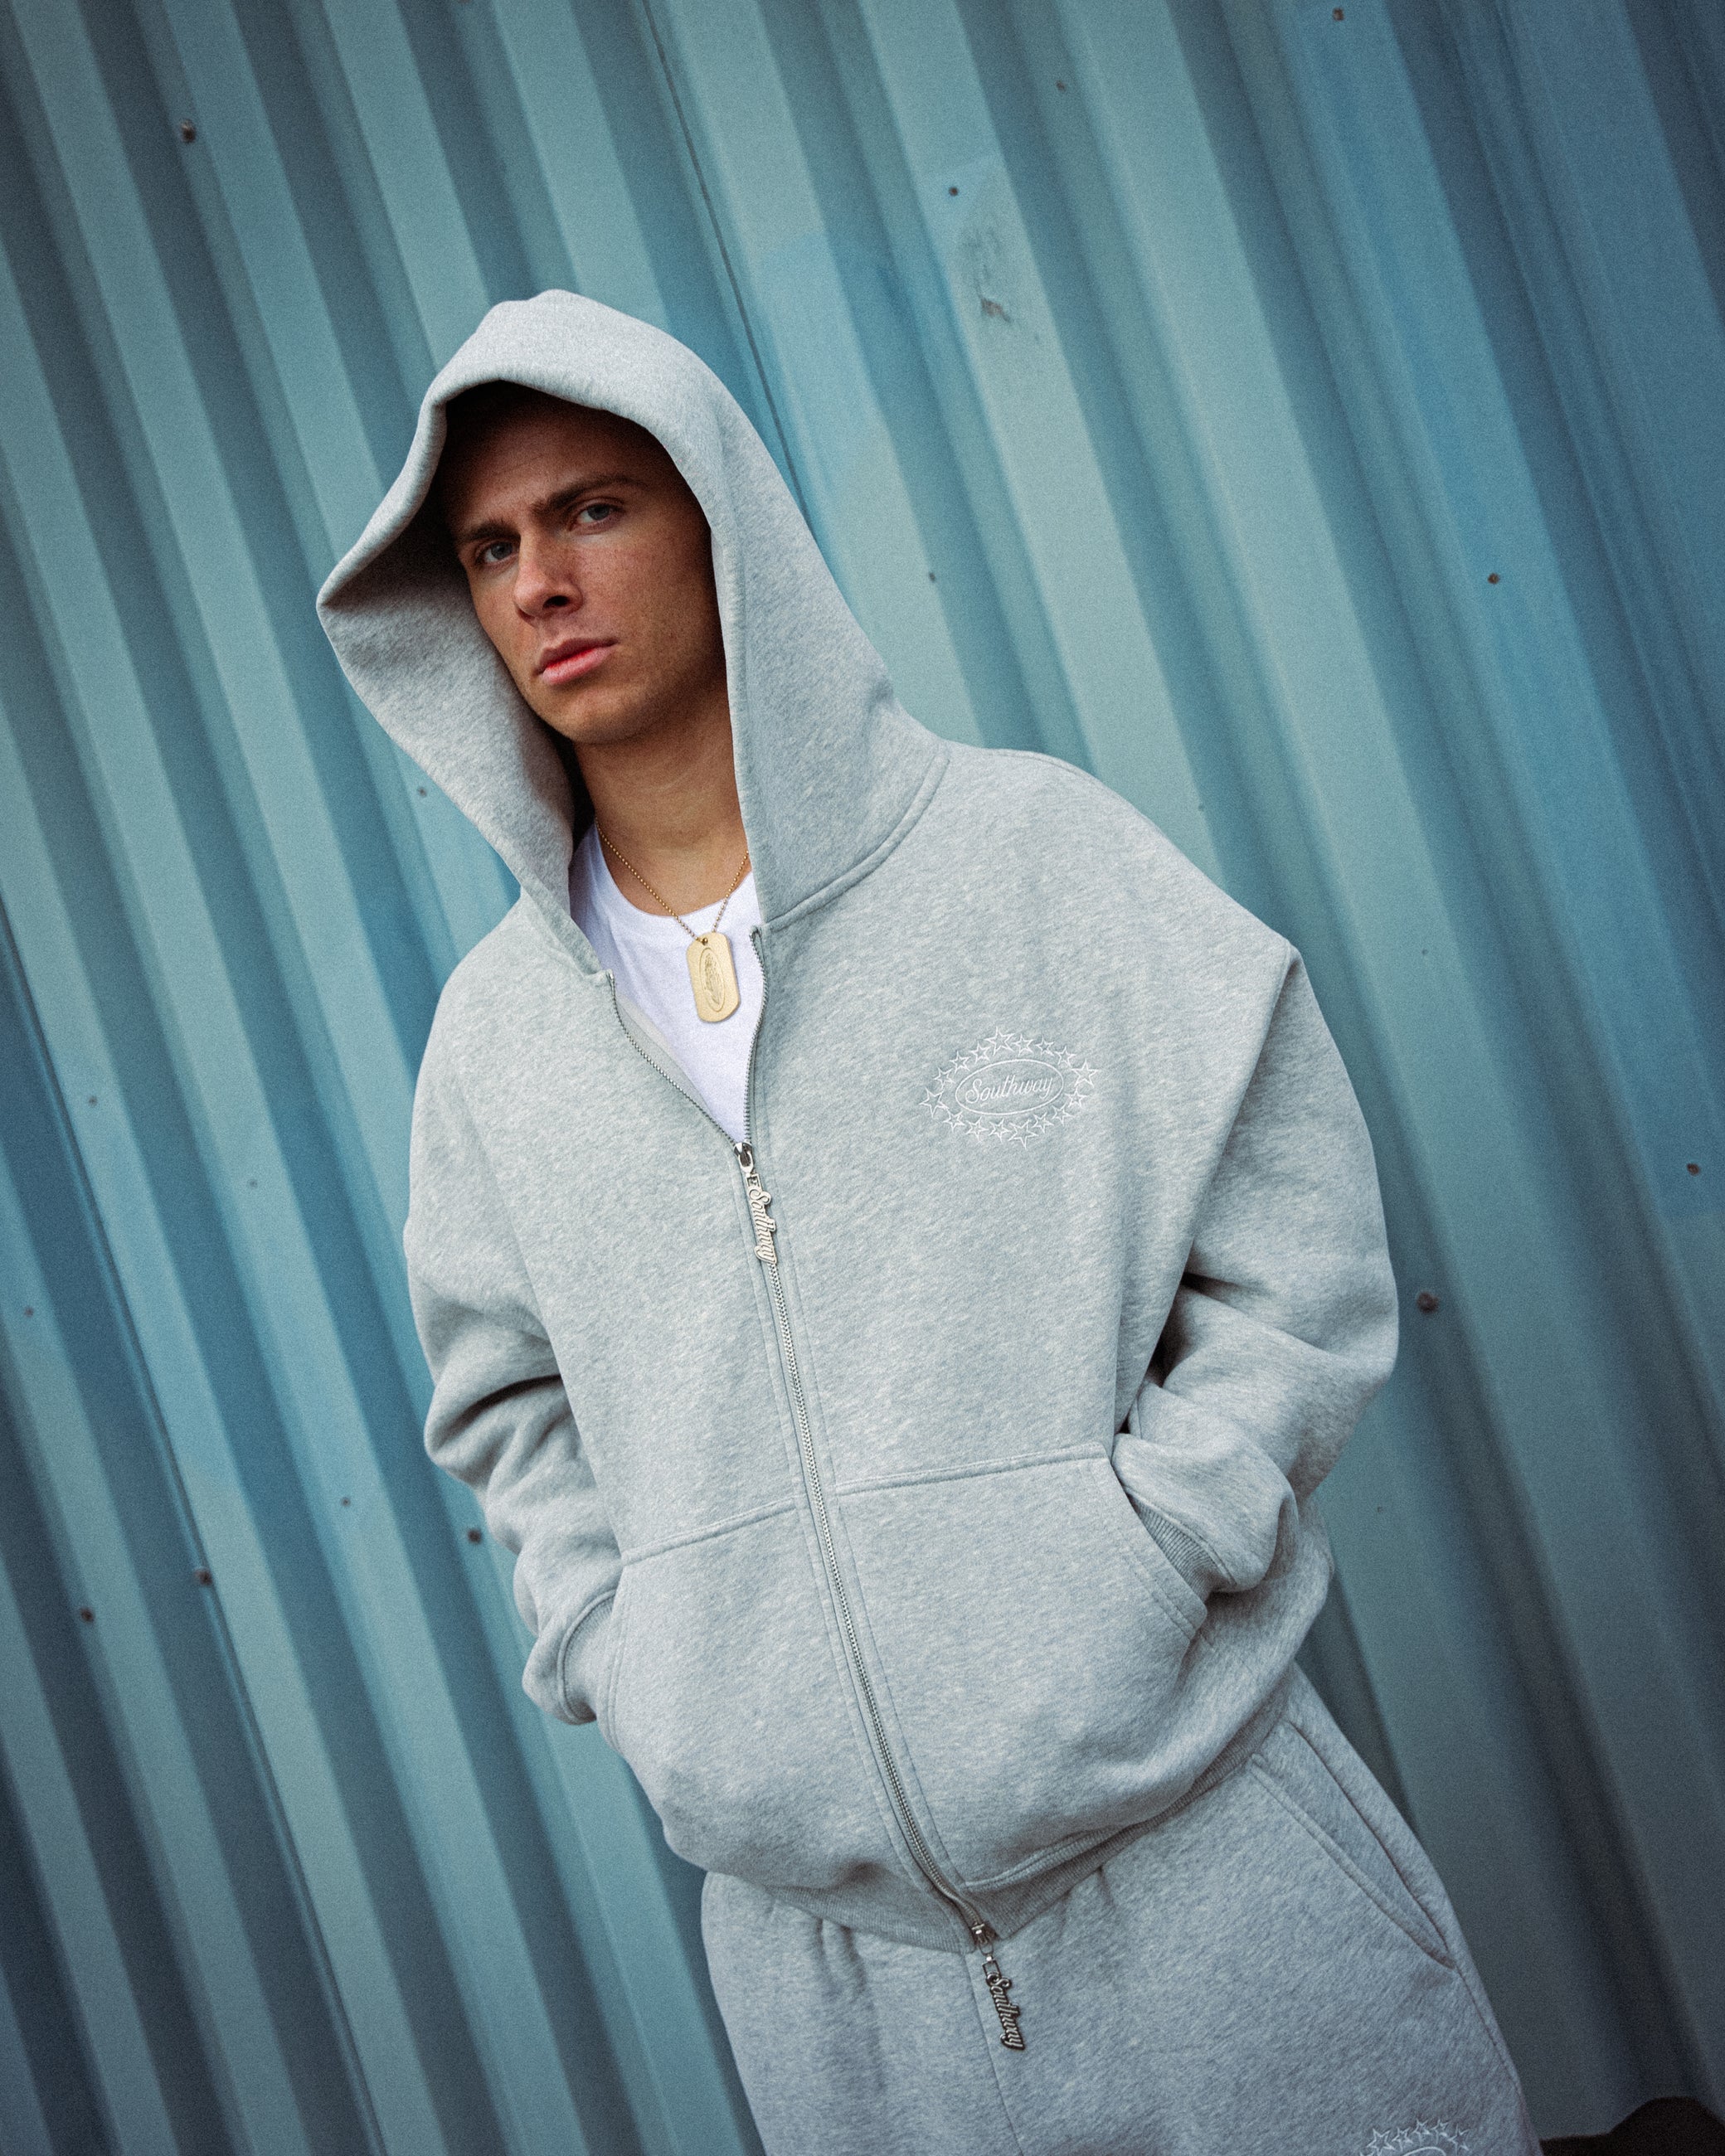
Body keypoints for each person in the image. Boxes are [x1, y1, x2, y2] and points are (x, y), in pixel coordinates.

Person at [318, 291, 1538, 2154]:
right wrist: (639, 1655)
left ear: (721, 519)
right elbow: (507, 1409)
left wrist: (1151, 1547)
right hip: (840, 2007)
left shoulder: (1032, 859)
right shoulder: (494, 1045)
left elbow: (1292, 1241)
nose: (540, 581)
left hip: (1215, 1888)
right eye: (489, 549)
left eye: (591, 510)